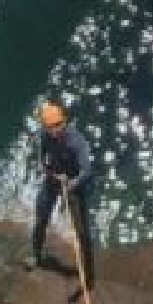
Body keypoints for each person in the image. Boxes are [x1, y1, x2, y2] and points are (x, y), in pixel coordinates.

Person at [27, 100, 98, 291]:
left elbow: (87, 170)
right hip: (54, 178)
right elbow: (42, 153)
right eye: (50, 127)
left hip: (75, 185)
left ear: (62, 123)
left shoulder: (77, 142)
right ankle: (36, 254)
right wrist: (44, 166)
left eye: (57, 125)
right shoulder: (45, 135)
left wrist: (71, 184)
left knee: (83, 234)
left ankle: (89, 274)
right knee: (41, 217)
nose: (55, 129)